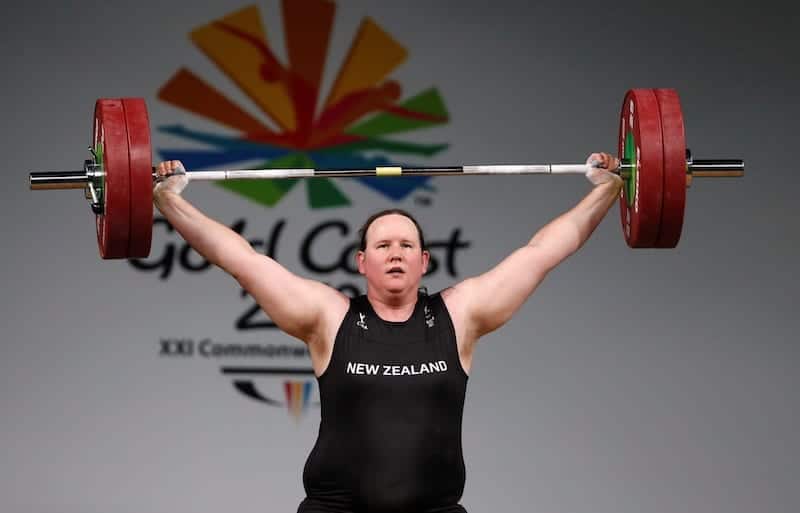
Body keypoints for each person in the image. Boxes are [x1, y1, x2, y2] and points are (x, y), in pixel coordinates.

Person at [153, 153, 623, 513]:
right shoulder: (328, 317)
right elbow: (242, 260)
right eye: (382, 244)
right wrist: (168, 199)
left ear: (424, 261)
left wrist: (608, 187)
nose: (395, 252)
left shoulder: (460, 315)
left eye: (406, 244)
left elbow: (542, 252)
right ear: (362, 262)